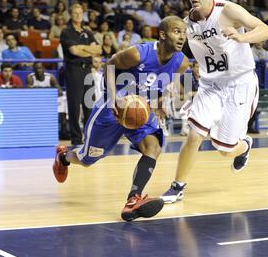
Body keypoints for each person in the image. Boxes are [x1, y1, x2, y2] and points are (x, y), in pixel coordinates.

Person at [53, 16, 190, 221]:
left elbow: (161, 83)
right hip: (112, 109)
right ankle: (64, 157)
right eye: (177, 31)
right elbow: (109, 65)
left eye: (184, 33)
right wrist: (115, 99)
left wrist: (159, 102)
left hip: (139, 109)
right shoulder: (138, 54)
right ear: (162, 35)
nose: (182, 37)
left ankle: (133, 200)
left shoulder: (182, 63)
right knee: (87, 159)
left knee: (153, 147)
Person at [161, 0, 268, 203]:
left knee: (224, 149)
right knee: (194, 135)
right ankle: (177, 186)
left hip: (239, 83)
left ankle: (244, 145)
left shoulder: (228, 11)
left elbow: (266, 30)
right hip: (211, 85)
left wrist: (242, 37)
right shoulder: (185, 24)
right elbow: (174, 56)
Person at [60, 3, 101, 146]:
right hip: (74, 70)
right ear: (71, 14)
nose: (78, 15)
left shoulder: (88, 32)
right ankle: (76, 139)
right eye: (75, 13)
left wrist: (83, 49)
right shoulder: (66, 32)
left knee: (89, 105)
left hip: (87, 70)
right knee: (75, 107)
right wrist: (87, 49)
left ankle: (90, 137)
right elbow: (74, 51)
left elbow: (98, 49)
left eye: (80, 13)